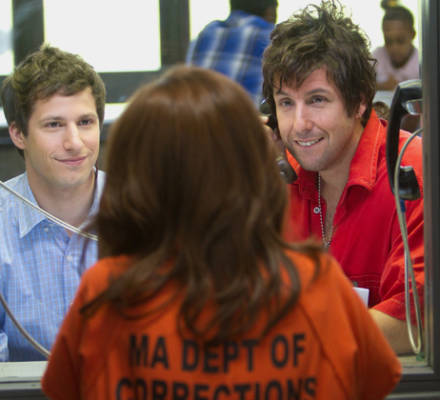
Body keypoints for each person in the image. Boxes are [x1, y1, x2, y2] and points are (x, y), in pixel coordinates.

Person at [41, 65, 401, 400]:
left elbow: (64, 390)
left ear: (136, 179)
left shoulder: (106, 293)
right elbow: (376, 380)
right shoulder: (317, 284)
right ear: (251, 170)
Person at [262, 0, 424, 355]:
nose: (299, 125)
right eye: (286, 103)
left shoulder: (411, 174)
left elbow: (415, 324)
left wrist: (288, 339)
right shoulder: (280, 181)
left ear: (359, 101)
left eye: (317, 100)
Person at [0, 44, 106, 361]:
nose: (74, 143)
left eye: (85, 122)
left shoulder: (147, 214)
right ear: (18, 135)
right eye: (54, 124)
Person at [186, 0, 277, 106]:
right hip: (248, 116)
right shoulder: (272, 39)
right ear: (270, 11)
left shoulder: (203, 35)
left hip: (196, 115)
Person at [373, 3, 419, 91]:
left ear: (413, 34)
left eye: (400, 41)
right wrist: (381, 86)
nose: (394, 48)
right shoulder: (376, 57)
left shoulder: (421, 64)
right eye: (388, 41)